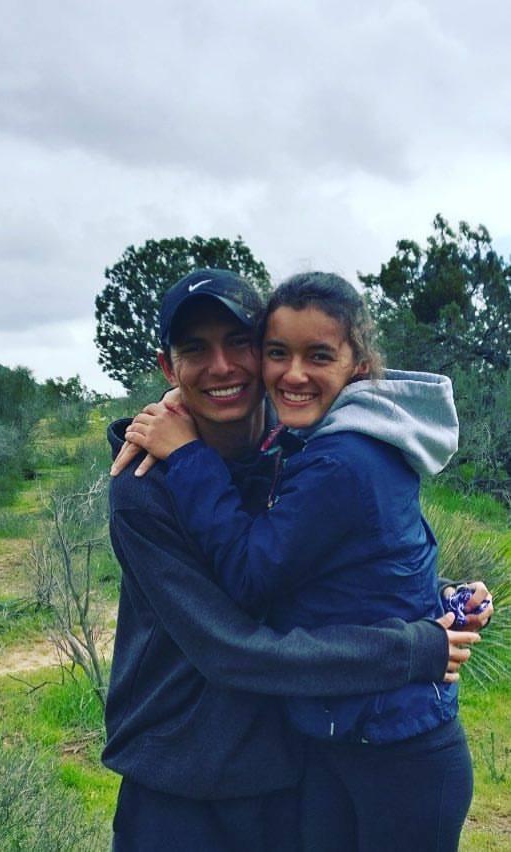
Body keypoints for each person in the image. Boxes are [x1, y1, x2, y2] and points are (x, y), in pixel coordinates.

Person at [102, 269, 488, 851]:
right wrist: (412, 646)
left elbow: (343, 560)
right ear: (168, 368)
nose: (222, 367)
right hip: (180, 780)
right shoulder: (145, 484)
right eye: (195, 351)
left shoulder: (296, 450)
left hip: (292, 770)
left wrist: (436, 597)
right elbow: (228, 647)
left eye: (239, 344)